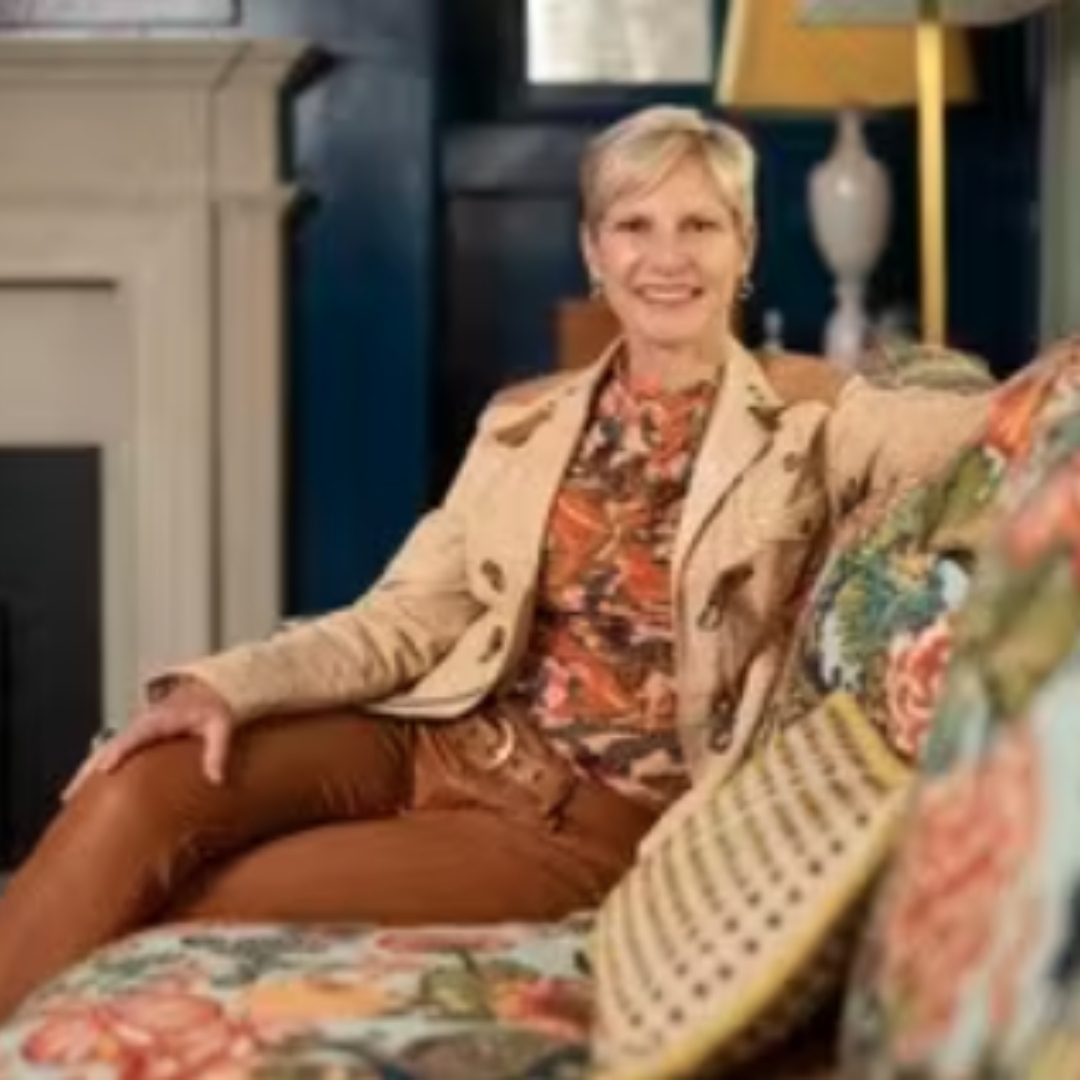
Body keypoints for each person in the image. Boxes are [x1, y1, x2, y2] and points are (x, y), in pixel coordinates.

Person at [0, 105, 989, 1020]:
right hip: (432, 733)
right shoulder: (526, 419)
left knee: (197, 899)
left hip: (574, 821)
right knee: (140, 782)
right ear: (593, 252)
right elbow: (403, 620)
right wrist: (223, 687)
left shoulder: (814, 412)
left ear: (746, 248)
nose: (667, 258)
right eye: (634, 227)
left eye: (700, 226)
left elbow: (992, 427)